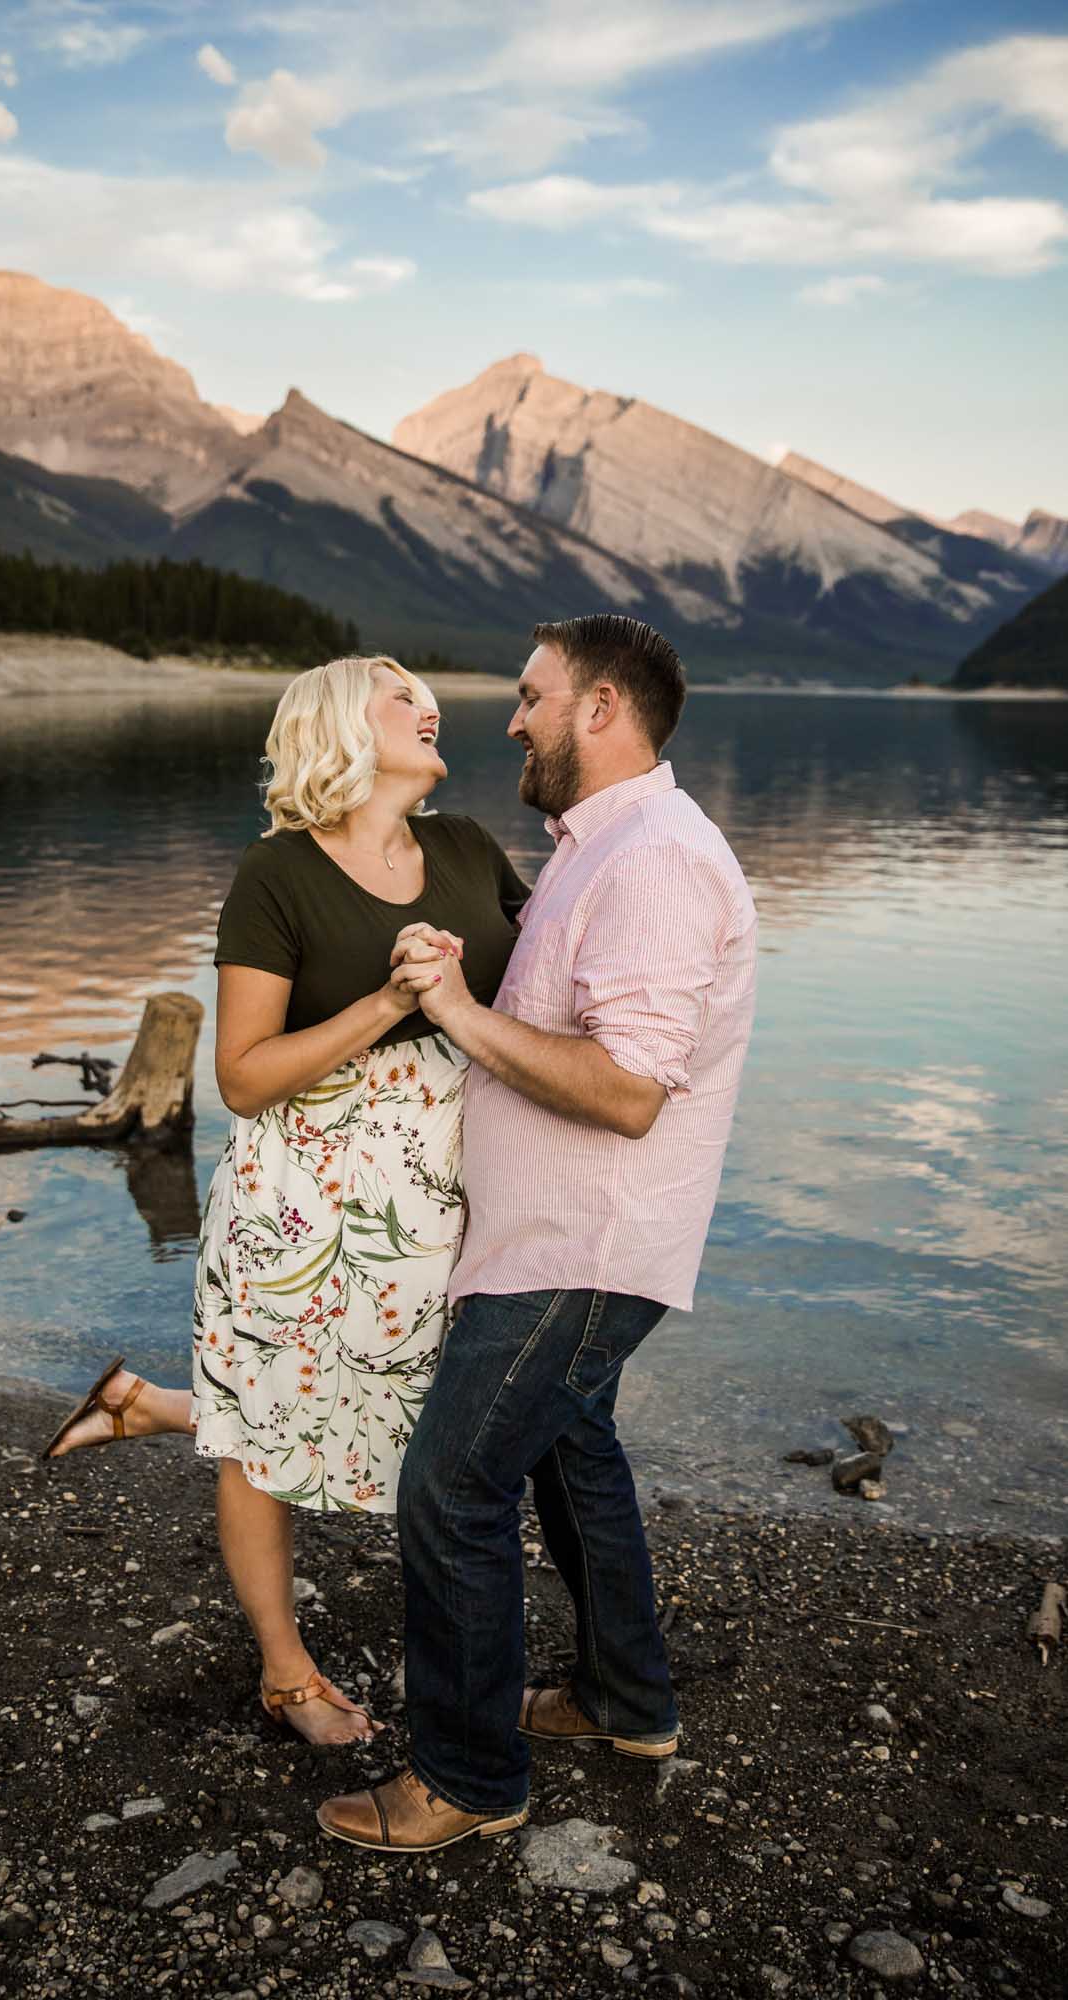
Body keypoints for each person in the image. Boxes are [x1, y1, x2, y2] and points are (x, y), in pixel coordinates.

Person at [317, 612, 758, 1851]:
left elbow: (625, 1089)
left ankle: (465, 1777)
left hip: (585, 1244)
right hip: (549, 1238)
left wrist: (454, 1009)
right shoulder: (593, 846)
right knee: (574, 1454)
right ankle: (625, 1698)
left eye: (530, 694)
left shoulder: (657, 858)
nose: (507, 716)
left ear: (601, 708)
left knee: (452, 1483)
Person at [43, 654, 529, 1746]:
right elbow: (243, 1075)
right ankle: (285, 1670)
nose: (429, 705)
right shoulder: (278, 872)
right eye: (401, 695)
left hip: (451, 1190)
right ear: (340, 727)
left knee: (427, 1422)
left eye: (427, 695)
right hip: (302, 1200)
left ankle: (147, 1401)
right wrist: (392, 998)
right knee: (265, 1430)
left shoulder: (465, 848)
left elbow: (548, 976)